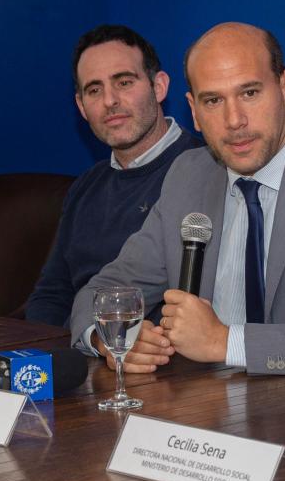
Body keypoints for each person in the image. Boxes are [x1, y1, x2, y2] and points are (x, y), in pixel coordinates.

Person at [68, 22, 285, 377]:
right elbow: (101, 292)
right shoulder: (189, 174)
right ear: (194, 111)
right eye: (213, 100)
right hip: (212, 411)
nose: (234, 120)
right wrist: (109, 336)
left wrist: (225, 342)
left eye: (249, 93)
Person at [25, 24, 202, 327]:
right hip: (85, 350)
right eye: (94, 90)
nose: (110, 100)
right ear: (81, 106)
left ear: (158, 86)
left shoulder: (205, 172)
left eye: (123, 82)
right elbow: (52, 295)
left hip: (159, 359)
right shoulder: (85, 187)